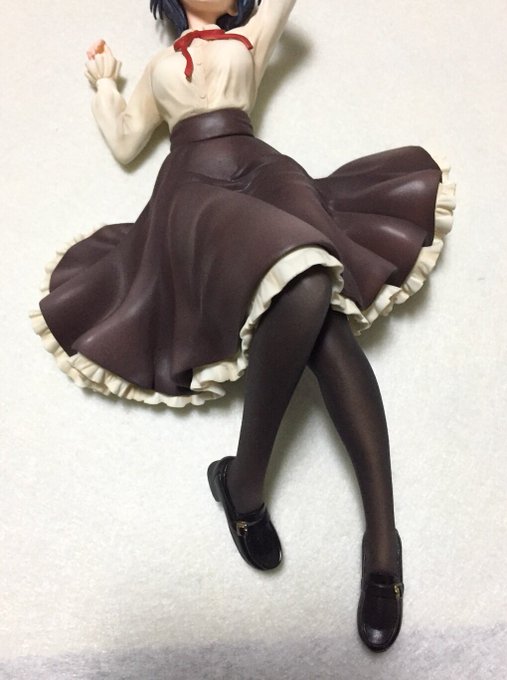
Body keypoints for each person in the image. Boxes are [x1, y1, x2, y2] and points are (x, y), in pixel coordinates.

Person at [31, 0, 455, 652]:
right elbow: (125, 140)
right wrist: (108, 84)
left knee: (315, 289)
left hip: (264, 170)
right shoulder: (159, 65)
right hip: (191, 186)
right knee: (310, 289)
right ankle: (337, 523)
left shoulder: (252, 35)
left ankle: (294, 504)